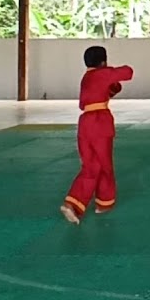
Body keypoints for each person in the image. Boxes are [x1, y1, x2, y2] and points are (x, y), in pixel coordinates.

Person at [60, 46, 134, 225]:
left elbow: (111, 89)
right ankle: (104, 203)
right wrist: (109, 71)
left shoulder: (87, 78)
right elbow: (128, 72)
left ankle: (72, 204)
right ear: (103, 61)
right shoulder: (101, 74)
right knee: (105, 164)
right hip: (99, 123)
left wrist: (111, 82)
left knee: (91, 166)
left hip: (84, 124)